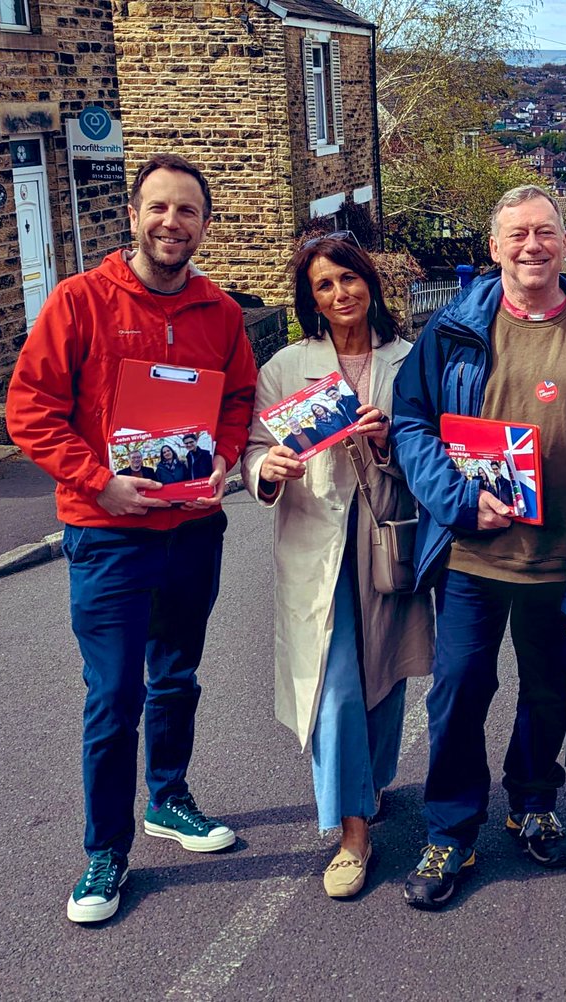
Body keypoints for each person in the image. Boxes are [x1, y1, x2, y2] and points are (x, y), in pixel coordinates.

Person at [6, 153, 258, 925]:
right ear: (135, 215)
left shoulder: (221, 314)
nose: (171, 223)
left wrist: (222, 459)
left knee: (177, 675)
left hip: (193, 529)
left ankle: (170, 801)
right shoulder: (79, 302)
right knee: (115, 694)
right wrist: (97, 480)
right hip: (108, 532)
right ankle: (105, 851)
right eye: (159, 208)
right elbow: (30, 408)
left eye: (187, 211)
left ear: (205, 226)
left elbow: (239, 398)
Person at [392, 184, 566, 910]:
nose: (533, 246)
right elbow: (412, 426)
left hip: (562, 558)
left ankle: (533, 803)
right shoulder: (451, 331)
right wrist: (460, 500)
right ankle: (451, 830)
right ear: (495, 247)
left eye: (546, 233)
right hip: (472, 554)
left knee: (546, 691)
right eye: (518, 235)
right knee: (459, 692)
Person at [242, 234, 433, 899]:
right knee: (338, 686)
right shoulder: (288, 367)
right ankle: (352, 832)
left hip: (386, 537)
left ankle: (370, 785)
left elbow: (435, 451)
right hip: (316, 541)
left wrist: (390, 438)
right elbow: (254, 449)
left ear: (370, 283)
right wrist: (266, 467)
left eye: (348, 279)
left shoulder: (409, 362)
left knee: (385, 677)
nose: (339, 294)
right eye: (324, 285)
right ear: (311, 300)